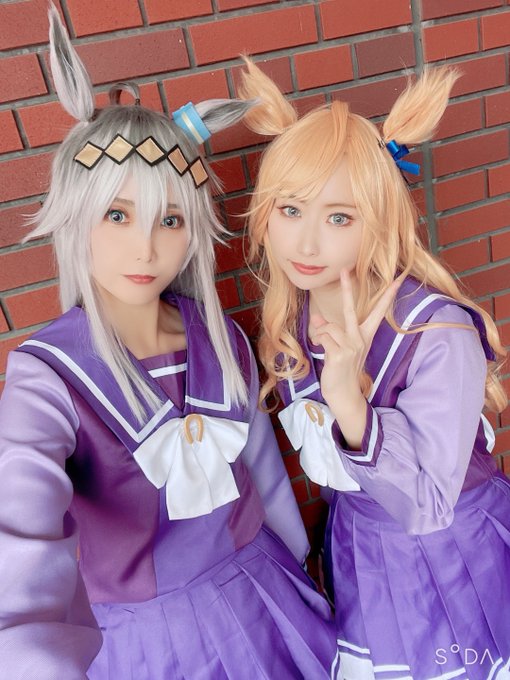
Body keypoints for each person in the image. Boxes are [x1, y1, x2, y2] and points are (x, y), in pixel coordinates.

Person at [0, 10, 337, 680]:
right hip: (148, 647)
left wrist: (301, 566)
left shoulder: (220, 337)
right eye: (117, 214)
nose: (146, 247)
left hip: (269, 598)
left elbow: (265, 473)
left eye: (171, 219)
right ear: (75, 216)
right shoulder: (48, 378)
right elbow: (19, 531)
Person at [238, 58, 510, 680]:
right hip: (359, 553)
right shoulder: (289, 322)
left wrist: (350, 406)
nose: (307, 243)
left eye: (339, 217)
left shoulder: (436, 331)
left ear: (379, 220)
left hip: (454, 557)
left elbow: (429, 504)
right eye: (290, 210)